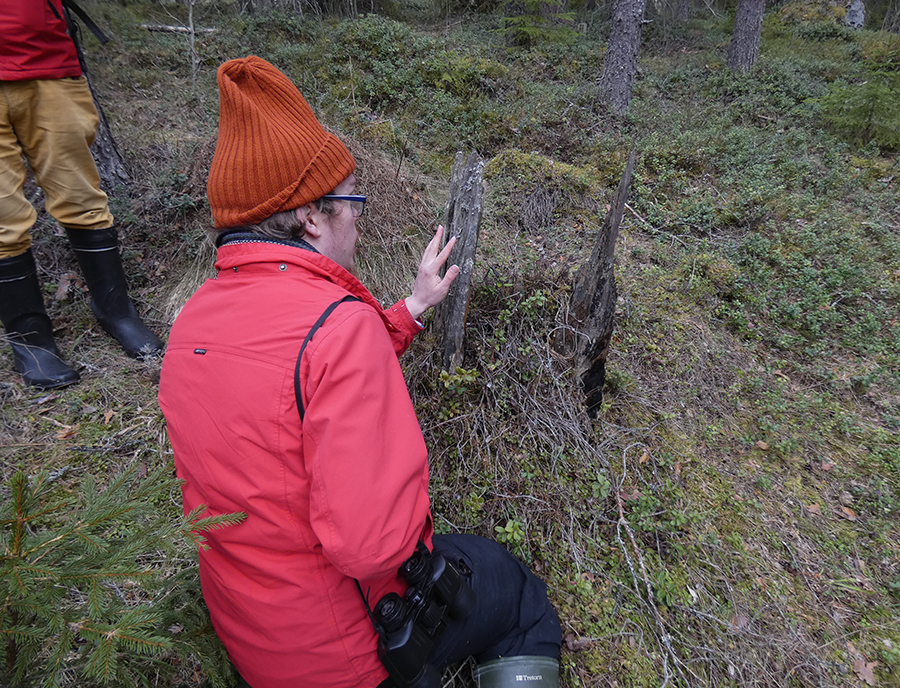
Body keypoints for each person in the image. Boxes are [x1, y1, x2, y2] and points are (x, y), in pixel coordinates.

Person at [158, 56, 561, 688]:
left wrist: (412, 308)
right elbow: (374, 545)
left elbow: (294, 367)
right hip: (347, 654)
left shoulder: (191, 323)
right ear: (311, 217)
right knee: (514, 593)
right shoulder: (337, 327)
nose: (359, 215)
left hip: (252, 634)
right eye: (350, 201)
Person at [0, 0, 163, 390]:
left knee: (82, 199)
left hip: (47, 61)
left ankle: (116, 311)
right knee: (2, 220)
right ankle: (31, 340)